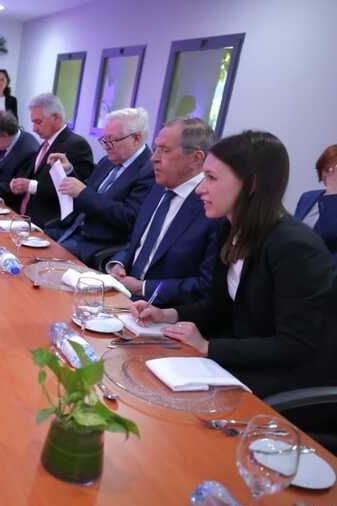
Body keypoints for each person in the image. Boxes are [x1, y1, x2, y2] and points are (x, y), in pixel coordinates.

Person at [133, 131, 337, 397]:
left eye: (211, 178)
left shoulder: (294, 246)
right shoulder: (228, 229)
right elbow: (220, 308)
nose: (200, 189)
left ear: (251, 184)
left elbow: (295, 345)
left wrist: (209, 347)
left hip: (283, 381)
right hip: (238, 361)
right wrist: (167, 314)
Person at [106, 118, 220, 306]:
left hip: (162, 310)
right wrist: (119, 264)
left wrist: (143, 288)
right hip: (122, 295)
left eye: (165, 150)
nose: (154, 158)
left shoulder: (212, 207)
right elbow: (139, 243)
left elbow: (205, 285)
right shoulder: (159, 186)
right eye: (156, 148)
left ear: (196, 158)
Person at [41, 107, 154, 266]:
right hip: (72, 228)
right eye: (104, 140)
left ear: (136, 138)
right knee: (29, 238)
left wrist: (83, 192)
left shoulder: (149, 170)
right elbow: (87, 191)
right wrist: (69, 172)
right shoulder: (107, 161)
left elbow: (128, 217)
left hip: (97, 243)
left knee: (43, 259)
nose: (105, 146)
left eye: (112, 140)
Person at [9, 92, 94, 228]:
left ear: (56, 118)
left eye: (38, 122)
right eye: (33, 122)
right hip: (24, 217)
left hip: (49, 224)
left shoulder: (77, 145)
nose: (34, 128)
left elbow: (74, 190)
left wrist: (29, 185)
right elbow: (34, 175)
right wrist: (19, 183)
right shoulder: (46, 142)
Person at [294, 144, 337, 261]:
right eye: (327, 169)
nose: (331, 174)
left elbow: (330, 235)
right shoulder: (308, 197)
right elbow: (294, 231)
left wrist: (333, 193)